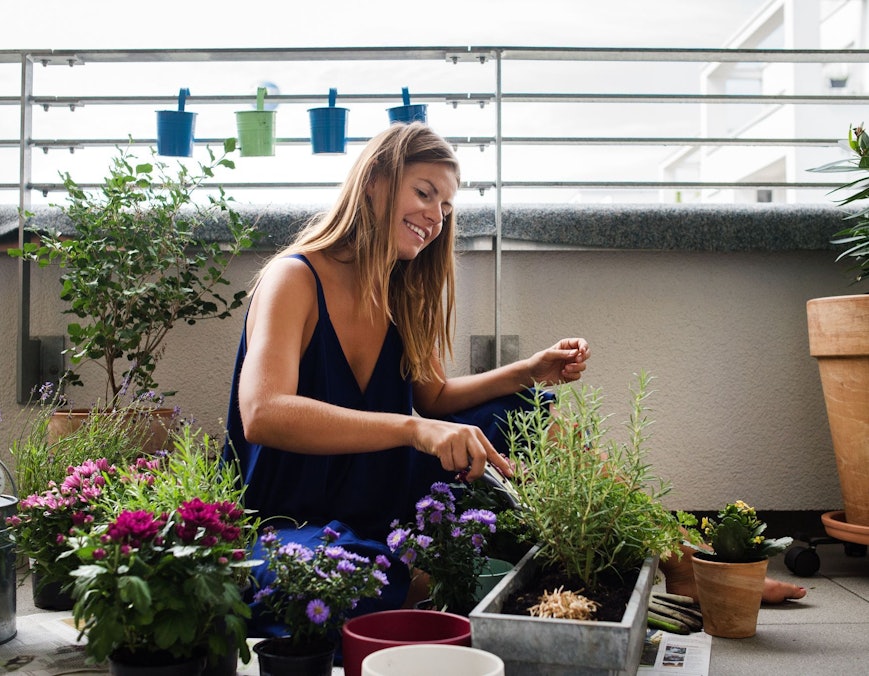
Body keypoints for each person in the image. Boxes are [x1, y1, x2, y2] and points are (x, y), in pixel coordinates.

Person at [223, 123, 802, 635]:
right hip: (292, 515)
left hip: (379, 492)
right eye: (424, 192)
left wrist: (528, 371)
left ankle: (678, 560)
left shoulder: (401, 291)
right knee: (321, 585)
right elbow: (264, 413)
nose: (435, 216)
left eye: (446, 205)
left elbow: (434, 398)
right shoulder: (293, 278)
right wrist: (414, 430)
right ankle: (434, 582)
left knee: (524, 408)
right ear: (374, 181)